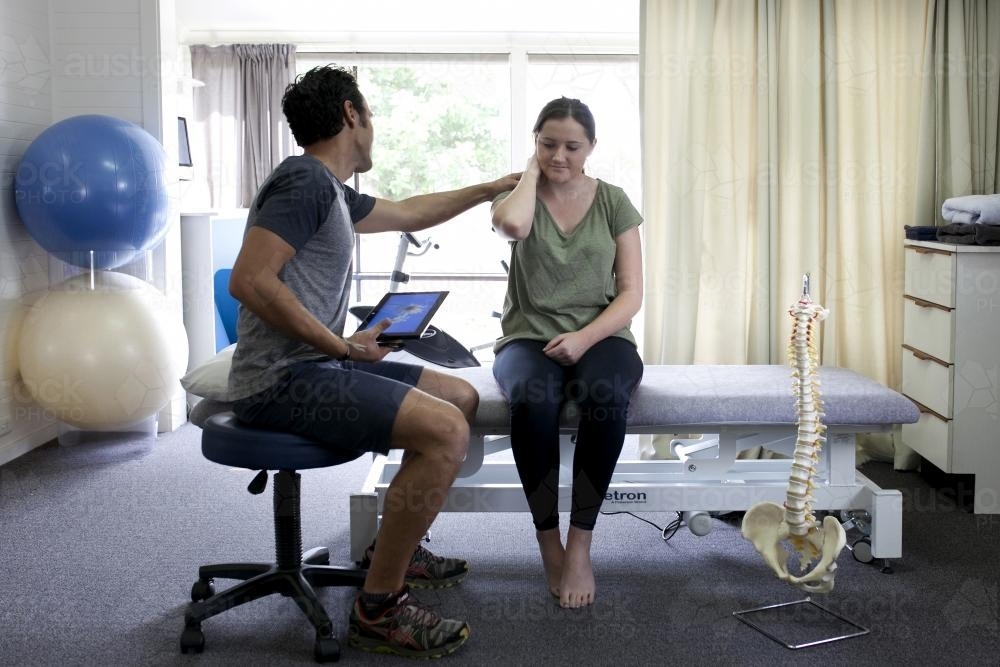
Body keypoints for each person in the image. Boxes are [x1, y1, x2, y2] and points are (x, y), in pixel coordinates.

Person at [226, 64, 519, 659]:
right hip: (282, 379)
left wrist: (490, 189)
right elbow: (249, 280)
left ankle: (393, 549)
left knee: (460, 395)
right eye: (372, 113)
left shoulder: (330, 190)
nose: (375, 127)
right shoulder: (305, 182)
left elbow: (411, 212)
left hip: (319, 364)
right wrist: (340, 345)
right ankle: (379, 609)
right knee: (447, 430)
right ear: (351, 115)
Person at [490, 97, 644, 609]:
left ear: (591, 148)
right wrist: (531, 174)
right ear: (534, 143)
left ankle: (580, 541)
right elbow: (512, 226)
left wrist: (583, 339)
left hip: (602, 337)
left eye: (572, 147)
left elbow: (631, 293)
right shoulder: (520, 196)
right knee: (533, 400)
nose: (560, 155)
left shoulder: (613, 202)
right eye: (548, 144)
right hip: (526, 337)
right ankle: (547, 539)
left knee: (604, 393)